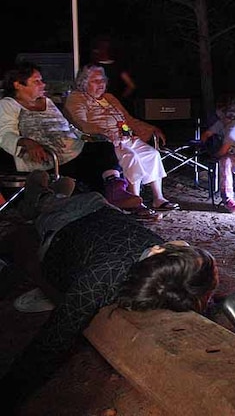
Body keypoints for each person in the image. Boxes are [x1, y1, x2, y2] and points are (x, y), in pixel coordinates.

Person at [0, 170, 218, 409]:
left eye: (183, 247)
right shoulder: (162, 276)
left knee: (48, 202)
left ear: (158, 251)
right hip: (99, 208)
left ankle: (40, 188)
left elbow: (52, 340)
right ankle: (50, 189)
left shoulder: (104, 277)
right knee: (61, 196)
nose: (182, 242)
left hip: (65, 221)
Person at [0, 61, 145, 212]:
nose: (43, 85)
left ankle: (113, 197)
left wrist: (85, 136)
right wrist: (27, 142)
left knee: (104, 147)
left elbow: (66, 127)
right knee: (98, 162)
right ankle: (110, 200)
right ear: (18, 85)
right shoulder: (8, 104)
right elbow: (4, 134)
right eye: (36, 81)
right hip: (47, 158)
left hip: (72, 151)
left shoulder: (47, 102)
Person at [63, 65, 180, 211]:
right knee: (131, 157)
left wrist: (150, 128)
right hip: (102, 142)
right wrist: (103, 131)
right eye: (95, 81)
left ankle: (158, 198)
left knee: (152, 154)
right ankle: (134, 200)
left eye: (103, 80)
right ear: (83, 83)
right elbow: (80, 123)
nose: (101, 84)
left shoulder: (109, 98)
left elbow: (128, 119)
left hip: (125, 137)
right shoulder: (76, 98)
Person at [90, 36, 137, 111]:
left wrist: (119, 100)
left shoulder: (94, 68)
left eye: (103, 48)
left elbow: (131, 86)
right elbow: (131, 86)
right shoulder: (93, 67)